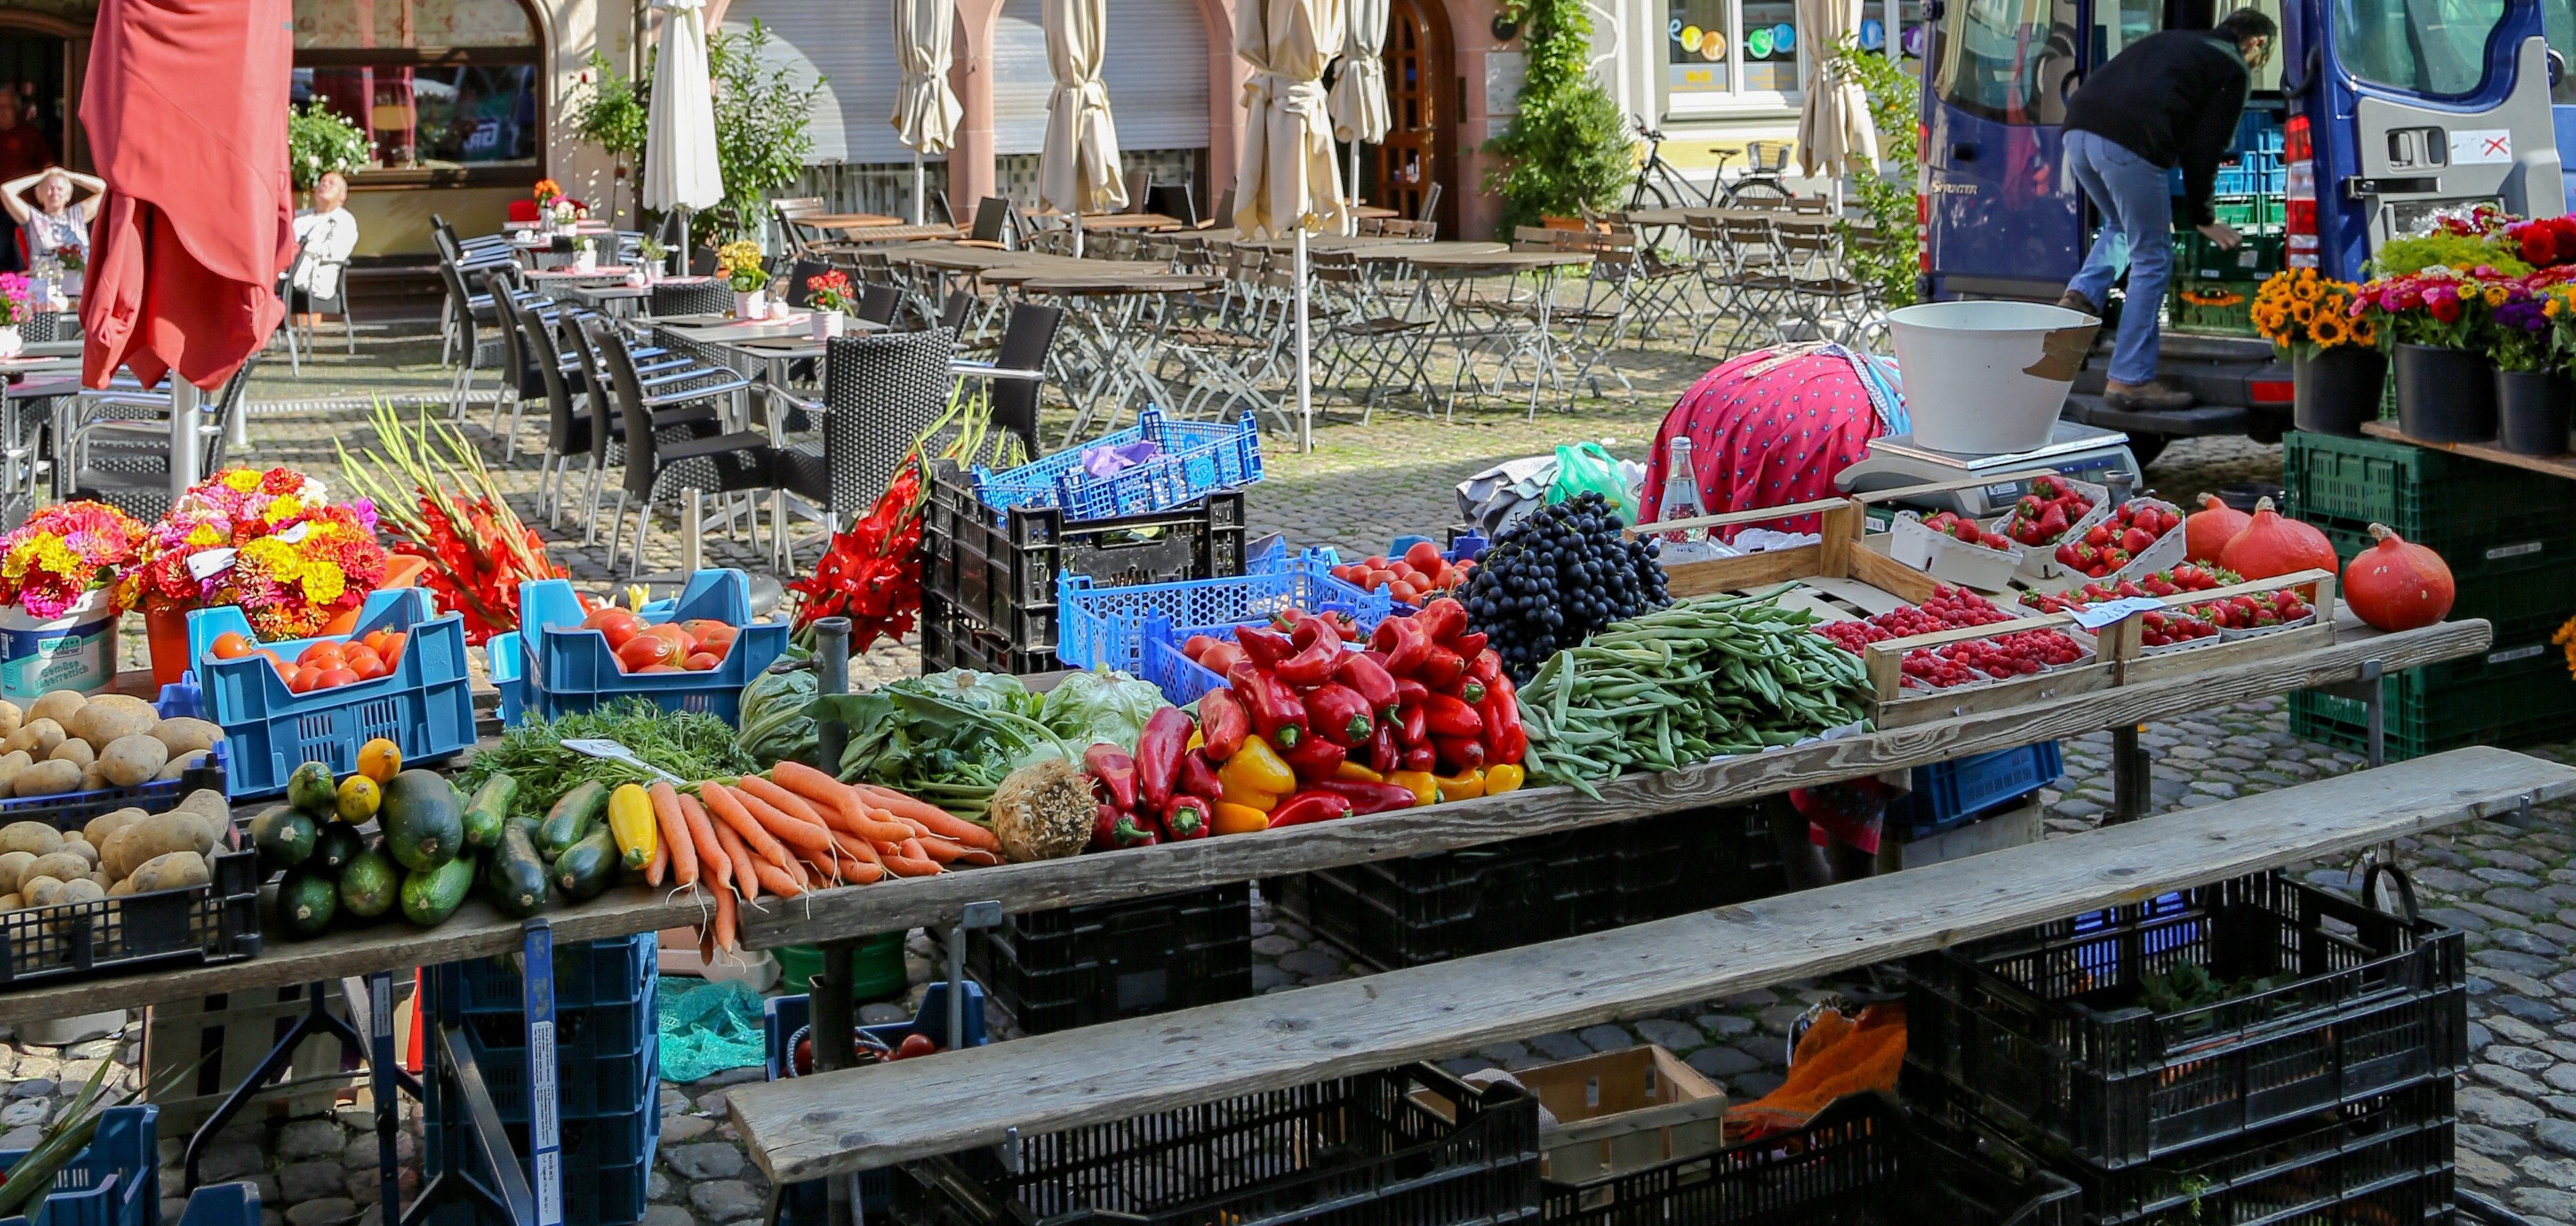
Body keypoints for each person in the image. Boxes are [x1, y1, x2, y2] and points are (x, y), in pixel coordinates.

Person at [2056, 8, 2276, 412]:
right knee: (2153, 257)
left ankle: (2081, 296)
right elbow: (2204, 152)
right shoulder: (2232, 67)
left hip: (2077, 132)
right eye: (2262, 58)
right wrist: (2205, 218)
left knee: (2121, 225)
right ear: (2256, 43)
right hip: (2129, 144)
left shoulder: (2174, 41)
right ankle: (2130, 381)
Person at [1, 166, 102, 272]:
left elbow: (104, 189)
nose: (55, 193)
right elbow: (6, 190)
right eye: (49, 188)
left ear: (68, 195)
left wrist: (69, 175)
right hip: (44, 283)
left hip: (79, 283)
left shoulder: (78, 214)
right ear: (40, 194)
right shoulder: (33, 218)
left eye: (60, 189)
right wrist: (42, 176)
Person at [290, 170, 360, 316]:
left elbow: (336, 251)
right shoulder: (298, 217)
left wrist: (299, 249)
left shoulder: (344, 220)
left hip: (314, 282)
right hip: (286, 277)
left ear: (343, 196)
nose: (324, 185)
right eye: (322, 182)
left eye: (331, 183)